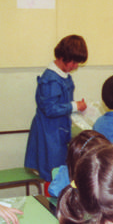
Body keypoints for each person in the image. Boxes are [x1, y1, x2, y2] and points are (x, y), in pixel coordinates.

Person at [25, 35, 88, 183]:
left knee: (61, 171)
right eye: (73, 62)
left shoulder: (63, 75)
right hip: (49, 133)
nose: (75, 66)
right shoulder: (50, 80)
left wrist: (76, 107)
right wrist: (74, 106)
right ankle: (50, 204)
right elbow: (50, 109)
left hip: (58, 131)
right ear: (62, 57)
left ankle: (58, 201)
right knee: (52, 173)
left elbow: (61, 103)